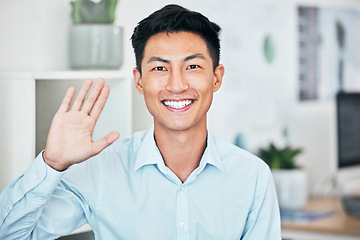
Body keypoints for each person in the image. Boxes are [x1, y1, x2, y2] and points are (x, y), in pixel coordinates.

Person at [0, 4, 281, 240]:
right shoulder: (100, 171)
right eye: (160, 68)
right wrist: (52, 164)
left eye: (192, 66)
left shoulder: (252, 176)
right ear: (139, 81)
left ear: (217, 77)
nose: (177, 85)